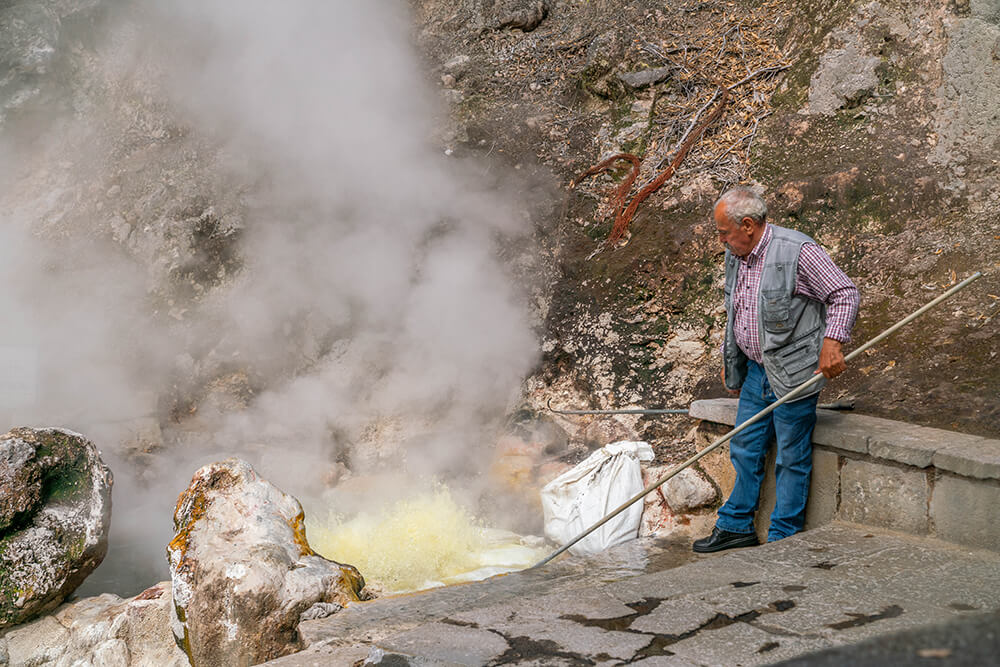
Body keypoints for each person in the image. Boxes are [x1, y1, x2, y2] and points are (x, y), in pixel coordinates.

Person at [692, 187, 860, 553]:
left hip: (796, 371)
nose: (721, 239)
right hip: (757, 369)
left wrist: (833, 343)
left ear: (748, 225)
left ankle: (783, 537)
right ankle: (736, 525)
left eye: (724, 232)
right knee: (746, 446)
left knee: (790, 454)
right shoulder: (737, 253)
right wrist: (733, 359)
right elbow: (736, 305)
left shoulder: (797, 251)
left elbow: (844, 293)